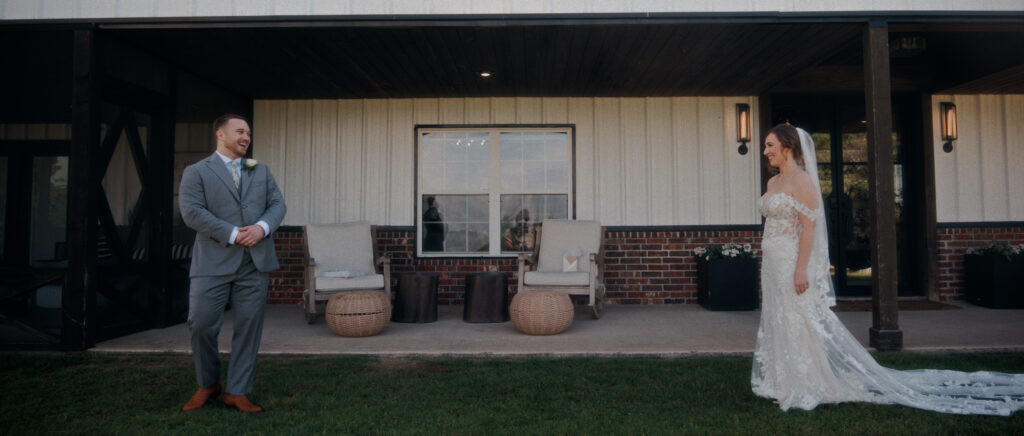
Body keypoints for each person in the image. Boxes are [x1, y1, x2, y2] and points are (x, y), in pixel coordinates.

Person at [753, 123, 1024, 415]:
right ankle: (782, 380)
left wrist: (801, 269)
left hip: (792, 262)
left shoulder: (802, 181)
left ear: (788, 148)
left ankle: (806, 382)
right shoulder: (773, 184)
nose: (766, 151)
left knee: (798, 319)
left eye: (770, 145)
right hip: (771, 263)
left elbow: (809, 229)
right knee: (777, 316)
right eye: (766, 146)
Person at [178, 114, 286, 413]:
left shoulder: (260, 171)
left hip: (255, 263)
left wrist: (261, 228)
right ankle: (208, 383)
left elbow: (278, 205)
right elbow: (192, 212)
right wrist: (233, 234)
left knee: (249, 328)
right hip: (211, 262)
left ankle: (237, 391)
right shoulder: (196, 172)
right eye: (239, 131)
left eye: (248, 133)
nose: (246, 137)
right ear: (220, 135)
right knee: (200, 324)